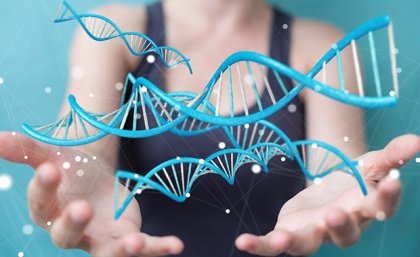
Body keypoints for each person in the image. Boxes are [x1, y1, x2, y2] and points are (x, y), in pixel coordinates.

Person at [0, 0, 419, 256]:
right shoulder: (112, 33)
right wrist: (75, 181)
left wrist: (341, 195)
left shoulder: (324, 46)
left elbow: (332, 175)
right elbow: (87, 152)